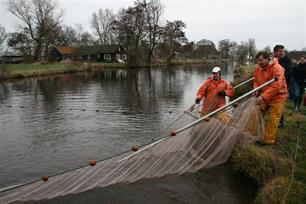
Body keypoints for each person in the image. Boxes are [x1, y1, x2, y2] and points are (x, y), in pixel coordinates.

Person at [253, 51, 288, 145]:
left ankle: (268, 140)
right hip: (264, 96)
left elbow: (276, 86)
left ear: (267, 58)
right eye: (257, 61)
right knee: (257, 115)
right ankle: (255, 135)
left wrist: (262, 97)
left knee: (273, 120)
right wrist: (256, 90)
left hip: (278, 97)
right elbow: (256, 81)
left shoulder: (277, 68)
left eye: (261, 60)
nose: (259, 63)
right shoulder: (257, 68)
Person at [273, 45, 292, 127]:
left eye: (282, 51)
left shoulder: (287, 60)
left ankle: (281, 121)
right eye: (280, 51)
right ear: (275, 52)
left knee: (279, 102)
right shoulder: (273, 59)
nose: (282, 53)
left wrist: (282, 82)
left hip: (283, 84)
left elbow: (289, 72)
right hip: (273, 84)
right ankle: (274, 118)